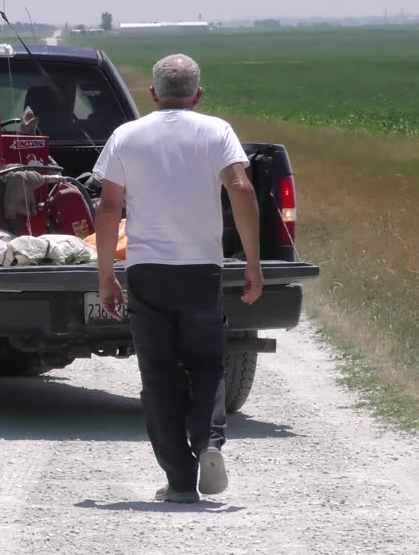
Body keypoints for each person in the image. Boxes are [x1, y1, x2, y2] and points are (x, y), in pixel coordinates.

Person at [92, 53, 264, 504]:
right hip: (202, 269)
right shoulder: (216, 131)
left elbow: (108, 208)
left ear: (152, 94)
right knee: (207, 364)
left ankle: (180, 481)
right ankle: (209, 441)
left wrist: (106, 274)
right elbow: (241, 189)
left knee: (159, 375)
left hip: (148, 271)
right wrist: (252, 262)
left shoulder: (126, 135)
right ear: (198, 95)